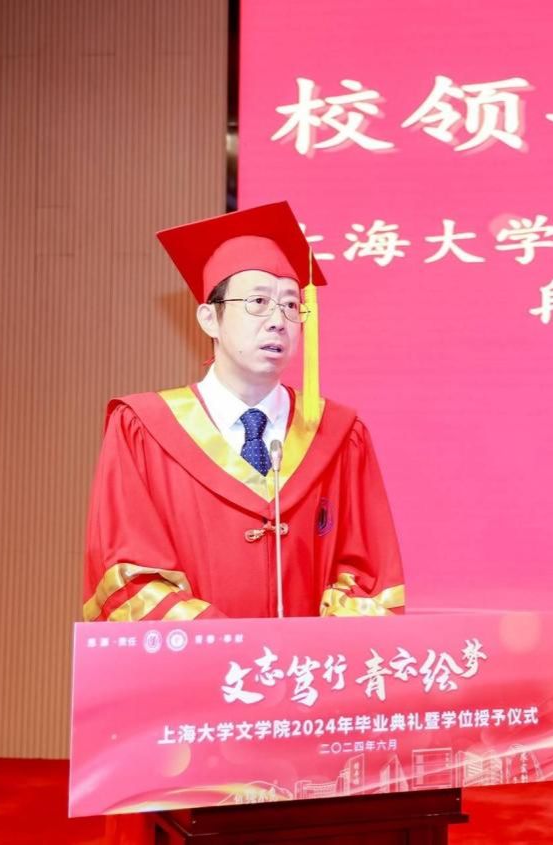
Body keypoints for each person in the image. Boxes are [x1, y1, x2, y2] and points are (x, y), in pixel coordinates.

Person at [83, 200, 405, 625]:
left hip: (307, 667)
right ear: (209, 319)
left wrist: (307, 654)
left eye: (291, 306)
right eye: (258, 301)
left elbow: (366, 577)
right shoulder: (143, 429)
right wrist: (233, 649)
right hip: (195, 665)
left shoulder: (340, 436)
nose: (278, 321)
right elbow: (129, 576)